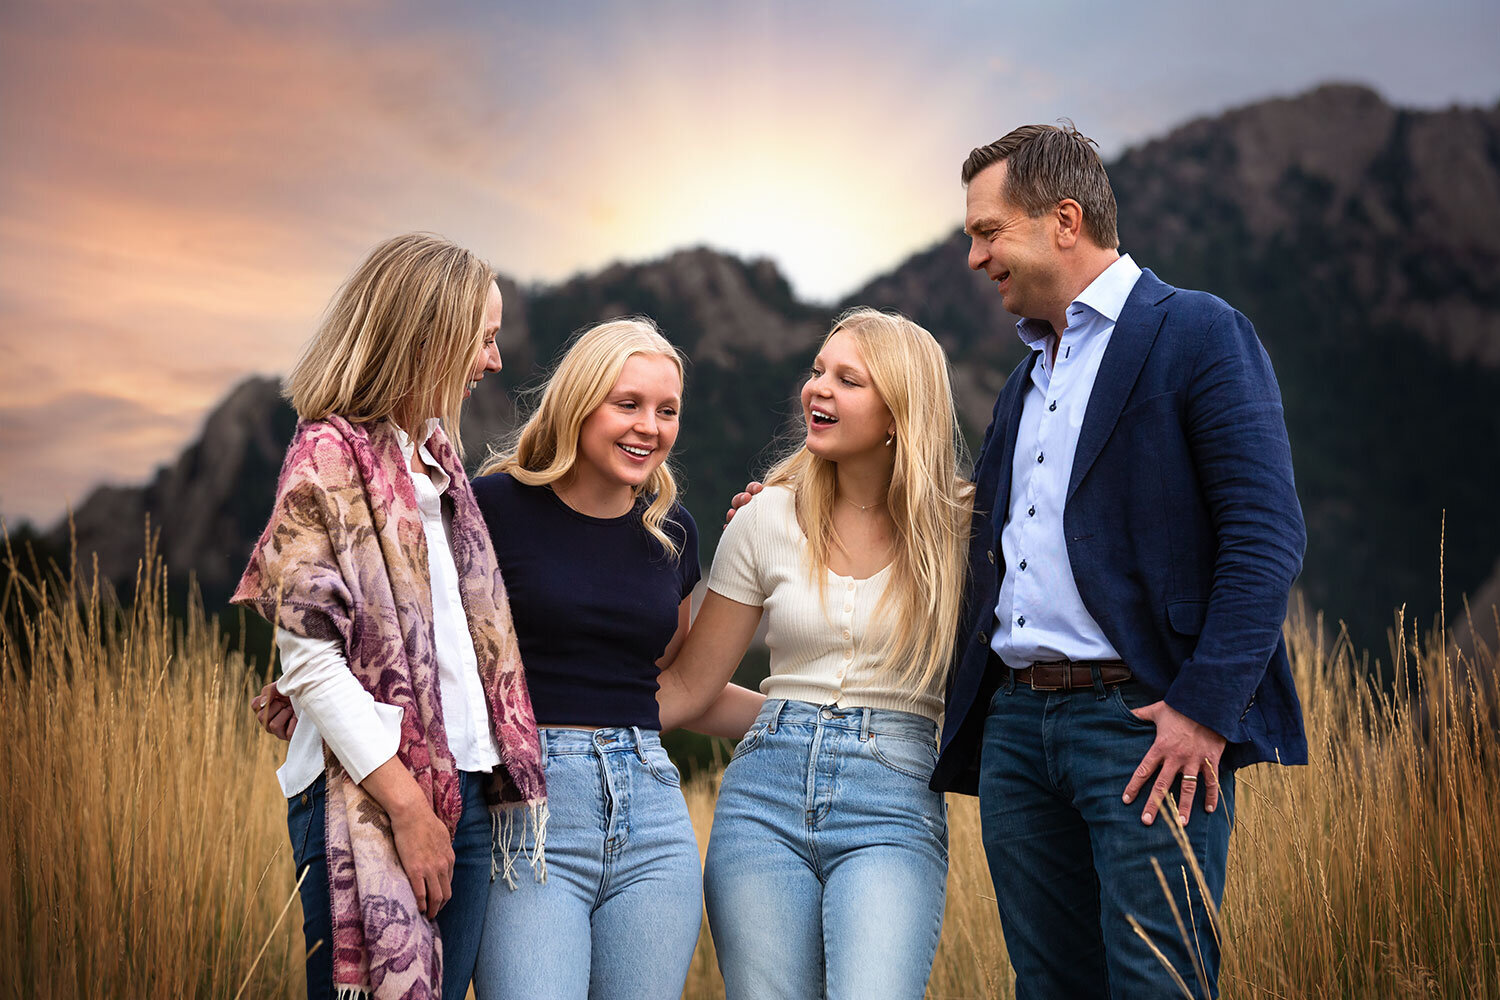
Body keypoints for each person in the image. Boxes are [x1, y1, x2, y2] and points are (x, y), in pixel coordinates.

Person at [934, 124, 1307, 998]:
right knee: (1050, 986)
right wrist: (804, 506)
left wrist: (1203, 710)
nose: (974, 256)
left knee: (1159, 982)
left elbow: (1265, 536)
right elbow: (986, 531)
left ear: (1064, 220)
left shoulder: (1199, 332)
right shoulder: (1026, 379)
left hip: (1141, 727)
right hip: (1018, 734)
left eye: (988, 232)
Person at [236, 233, 547, 1000]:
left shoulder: (439, 462)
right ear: (429, 338)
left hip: (469, 788)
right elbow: (310, 664)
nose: (493, 361)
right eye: (483, 338)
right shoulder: (326, 461)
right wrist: (409, 809)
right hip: (370, 800)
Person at [666, 307, 973, 999]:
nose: (818, 389)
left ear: (899, 412)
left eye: (847, 379)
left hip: (893, 803)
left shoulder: (963, 531)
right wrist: (552, 725)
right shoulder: (765, 517)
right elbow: (689, 687)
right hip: (761, 804)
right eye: (817, 371)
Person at [465, 318, 760, 999]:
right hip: (531, 813)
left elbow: (681, 683)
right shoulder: (491, 509)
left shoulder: (672, 531)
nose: (648, 427)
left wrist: (802, 719)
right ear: (578, 402)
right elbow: (428, 653)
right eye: (627, 404)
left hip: (653, 815)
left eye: (667, 411)